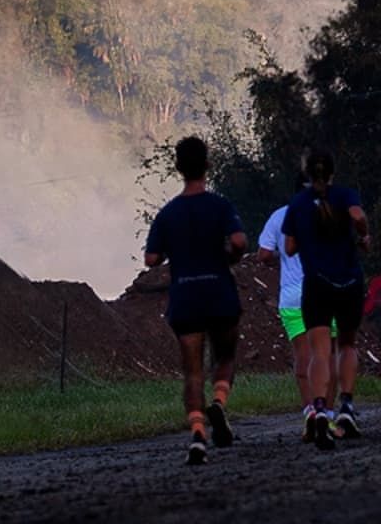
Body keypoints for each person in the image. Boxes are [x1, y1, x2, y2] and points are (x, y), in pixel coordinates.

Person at [144, 134, 247, 466]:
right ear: (207, 165)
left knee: (192, 372)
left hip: (185, 296)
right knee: (226, 357)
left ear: (177, 168)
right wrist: (229, 253)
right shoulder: (220, 206)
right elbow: (239, 241)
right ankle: (218, 401)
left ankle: (199, 435)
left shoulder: (168, 214)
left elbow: (151, 259)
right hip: (218, 292)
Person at [282, 149, 370, 447]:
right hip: (348, 282)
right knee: (346, 344)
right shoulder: (346, 195)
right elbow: (358, 217)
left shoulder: (297, 204)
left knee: (319, 352)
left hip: (317, 284)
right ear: (332, 172)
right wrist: (363, 235)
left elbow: (290, 247)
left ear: (307, 175)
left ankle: (320, 409)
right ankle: (345, 406)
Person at [256, 176, 337, 434]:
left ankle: (309, 411)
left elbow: (263, 254)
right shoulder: (329, 213)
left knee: (303, 356)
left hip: (291, 296)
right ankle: (329, 414)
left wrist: (282, 257)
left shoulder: (279, 216)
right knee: (327, 356)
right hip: (324, 290)